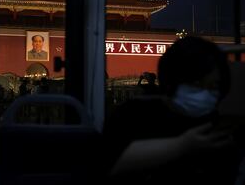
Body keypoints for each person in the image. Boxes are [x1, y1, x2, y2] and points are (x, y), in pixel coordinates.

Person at [103, 36, 240, 185]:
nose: (205, 94)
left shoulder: (220, 125)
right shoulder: (132, 115)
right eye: (196, 84)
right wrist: (182, 145)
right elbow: (109, 164)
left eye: (214, 87)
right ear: (171, 81)